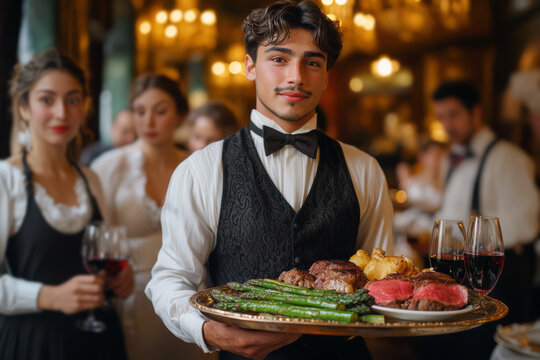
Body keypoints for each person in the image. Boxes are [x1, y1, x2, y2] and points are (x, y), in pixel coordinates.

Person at [145, 2, 393, 359]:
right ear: (250, 66)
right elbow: (170, 278)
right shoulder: (201, 169)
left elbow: (380, 282)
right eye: (279, 59)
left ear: (326, 76)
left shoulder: (365, 169)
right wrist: (210, 332)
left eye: (312, 62)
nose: (295, 76)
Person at [0, 48, 133, 359]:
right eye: (47, 100)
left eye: (73, 100)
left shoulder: (91, 179)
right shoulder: (6, 178)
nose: (62, 112)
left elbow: (102, 255)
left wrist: (118, 282)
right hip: (34, 345)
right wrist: (48, 296)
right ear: (24, 108)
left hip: (100, 342)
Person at [419, 80, 540, 360]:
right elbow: (450, 214)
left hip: (497, 278)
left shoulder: (508, 159)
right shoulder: (453, 158)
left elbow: (528, 223)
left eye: (454, 114)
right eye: (442, 117)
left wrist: (469, 240)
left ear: (476, 112)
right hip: (460, 275)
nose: (447, 124)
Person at [92, 74, 208, 360]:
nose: (148, 122)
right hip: (130, 297)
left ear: (180, 115)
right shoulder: (109, 167)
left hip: (191, 296)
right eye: (140, 112)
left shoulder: (198, 168)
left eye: (160, 111)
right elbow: (96, 237)